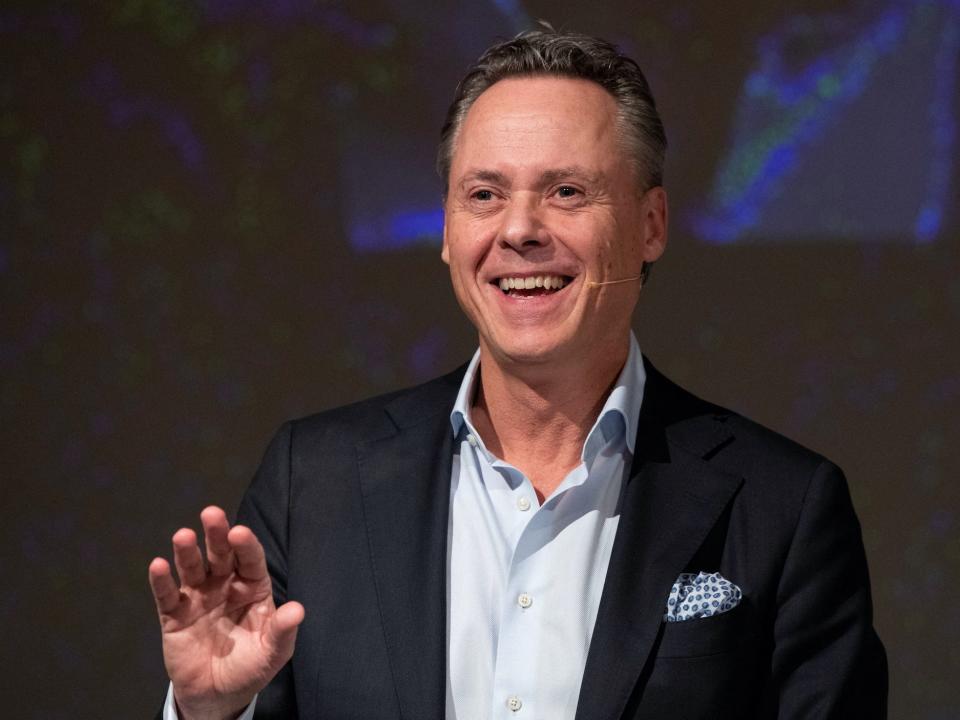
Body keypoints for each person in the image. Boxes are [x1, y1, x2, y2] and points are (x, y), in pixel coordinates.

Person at [148, 29, 887, 719]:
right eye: (484, 194)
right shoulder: (312, 480)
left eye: (566, 191)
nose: (519, 228)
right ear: (446, 230)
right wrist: (212, 713)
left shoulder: (785, 506)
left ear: (652, 224)